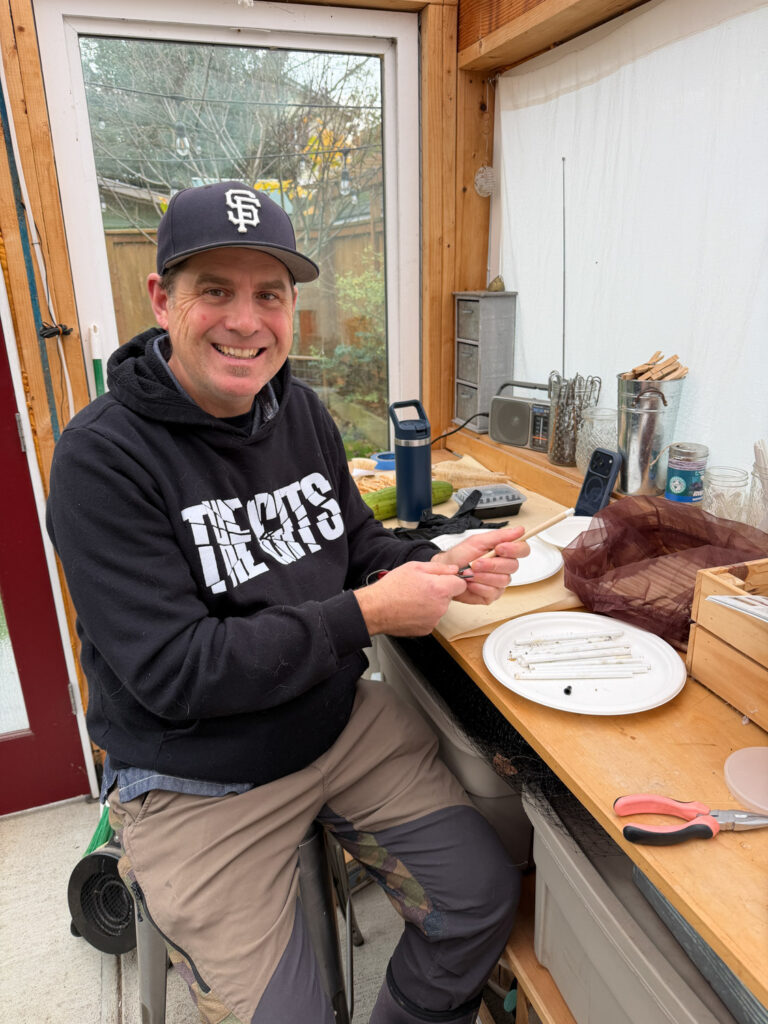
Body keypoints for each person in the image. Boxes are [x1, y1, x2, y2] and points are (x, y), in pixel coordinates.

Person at [47, 181, 530, 1024]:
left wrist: (439, 562)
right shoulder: (101, 459)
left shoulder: (301, 411)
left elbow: (354, 549)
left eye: (268, 294)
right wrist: (372, 615)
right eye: (215, 292)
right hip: (195, 778)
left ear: (292, 307)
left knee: (481, 897)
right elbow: (175, 671)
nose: (246, 321)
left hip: (334, 725)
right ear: (162, 299)